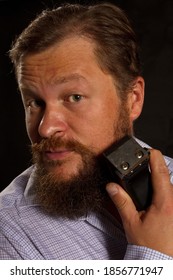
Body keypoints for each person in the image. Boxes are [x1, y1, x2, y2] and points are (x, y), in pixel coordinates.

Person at [0, 2, 173, 260]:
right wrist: (153, 258)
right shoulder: (9, 233)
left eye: (74, 97)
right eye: (34, 102)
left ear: (133, 99)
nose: (45, 128)